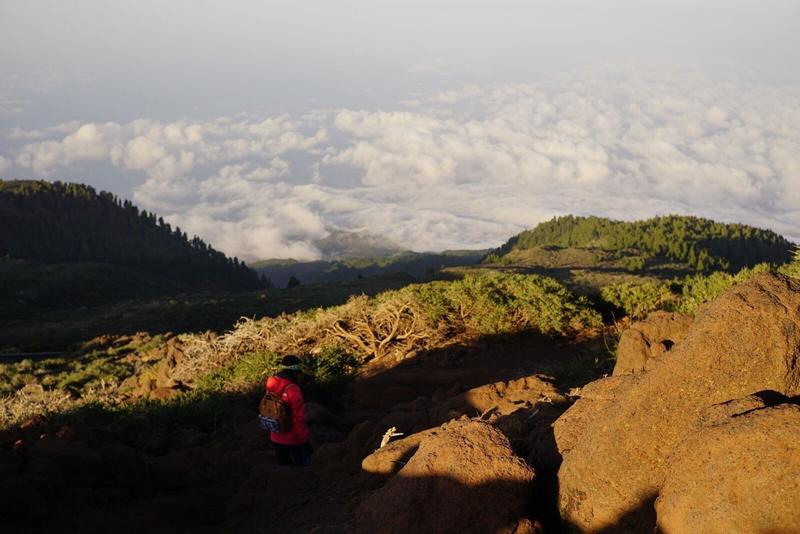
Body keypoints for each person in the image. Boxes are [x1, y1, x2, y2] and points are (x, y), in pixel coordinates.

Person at [265, 355, 312, 466]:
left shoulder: (271, 382)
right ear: (296, 372)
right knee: (303, 469)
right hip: (293, 439)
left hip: (275, 435)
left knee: (283, 471)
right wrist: (305, 441)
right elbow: (298, 419)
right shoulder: (293, 390)